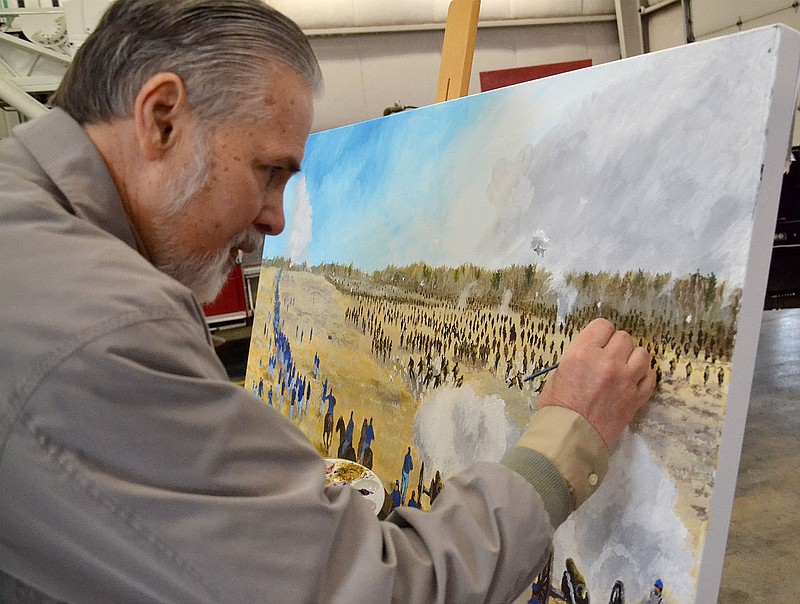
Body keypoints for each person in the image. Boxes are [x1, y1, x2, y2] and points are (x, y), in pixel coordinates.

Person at [0, 1, 656, 601]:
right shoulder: (102, 325)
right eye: (269, 171)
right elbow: (369, 590)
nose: (278, 220)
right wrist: (562, 440)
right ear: (161, 117)